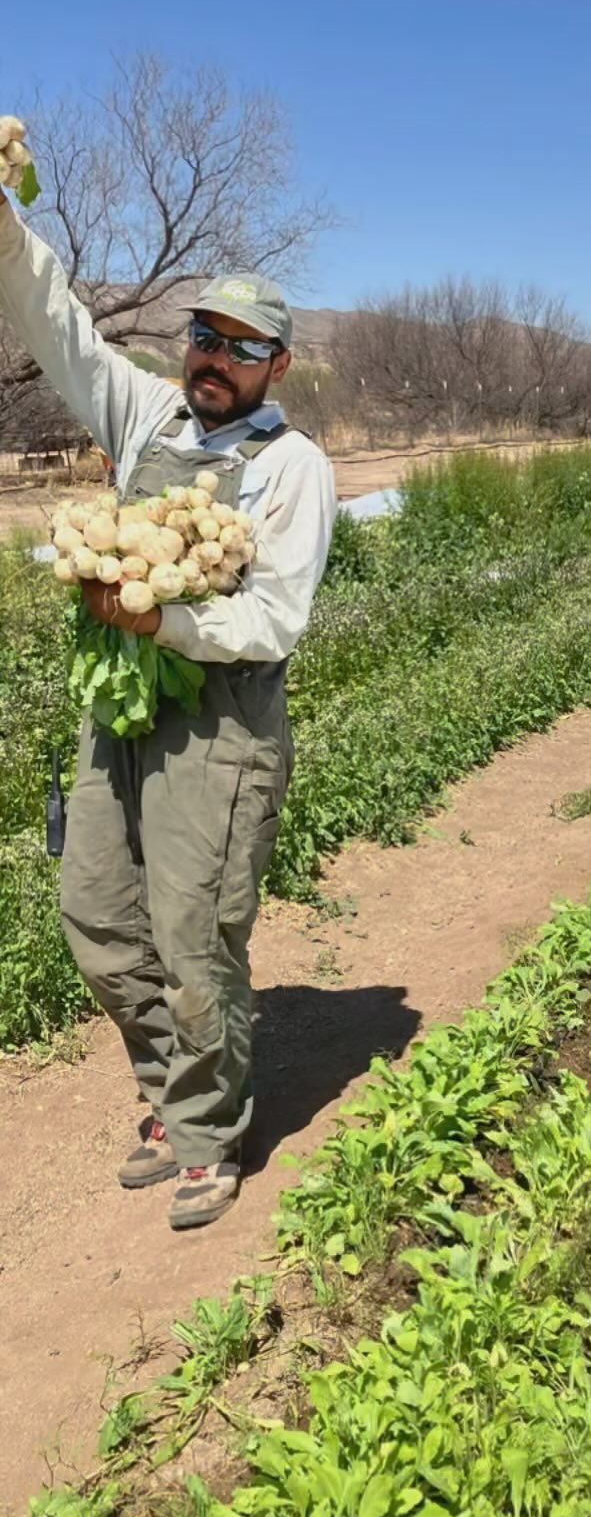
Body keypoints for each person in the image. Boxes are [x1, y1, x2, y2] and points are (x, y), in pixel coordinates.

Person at [0, 179, 337, 1230]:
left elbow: (276, 619)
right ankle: (167, 1091)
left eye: (241, 348)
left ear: (276, 365)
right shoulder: (147, 413)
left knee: (194, 932)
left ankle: (204, 1133)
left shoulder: (293, 470)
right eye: (204, 336)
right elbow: (54, 320)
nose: (214, 359)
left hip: (221, 723)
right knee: (96, 917)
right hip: (122, 712)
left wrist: (166, 625)